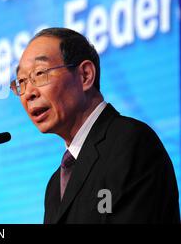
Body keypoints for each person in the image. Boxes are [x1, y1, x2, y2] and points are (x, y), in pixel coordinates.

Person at [10, 27, 180, 223]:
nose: (28, 92)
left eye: (40, 73)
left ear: (85, 76)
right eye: (21, 81)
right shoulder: (55, 186)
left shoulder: (130, 142)